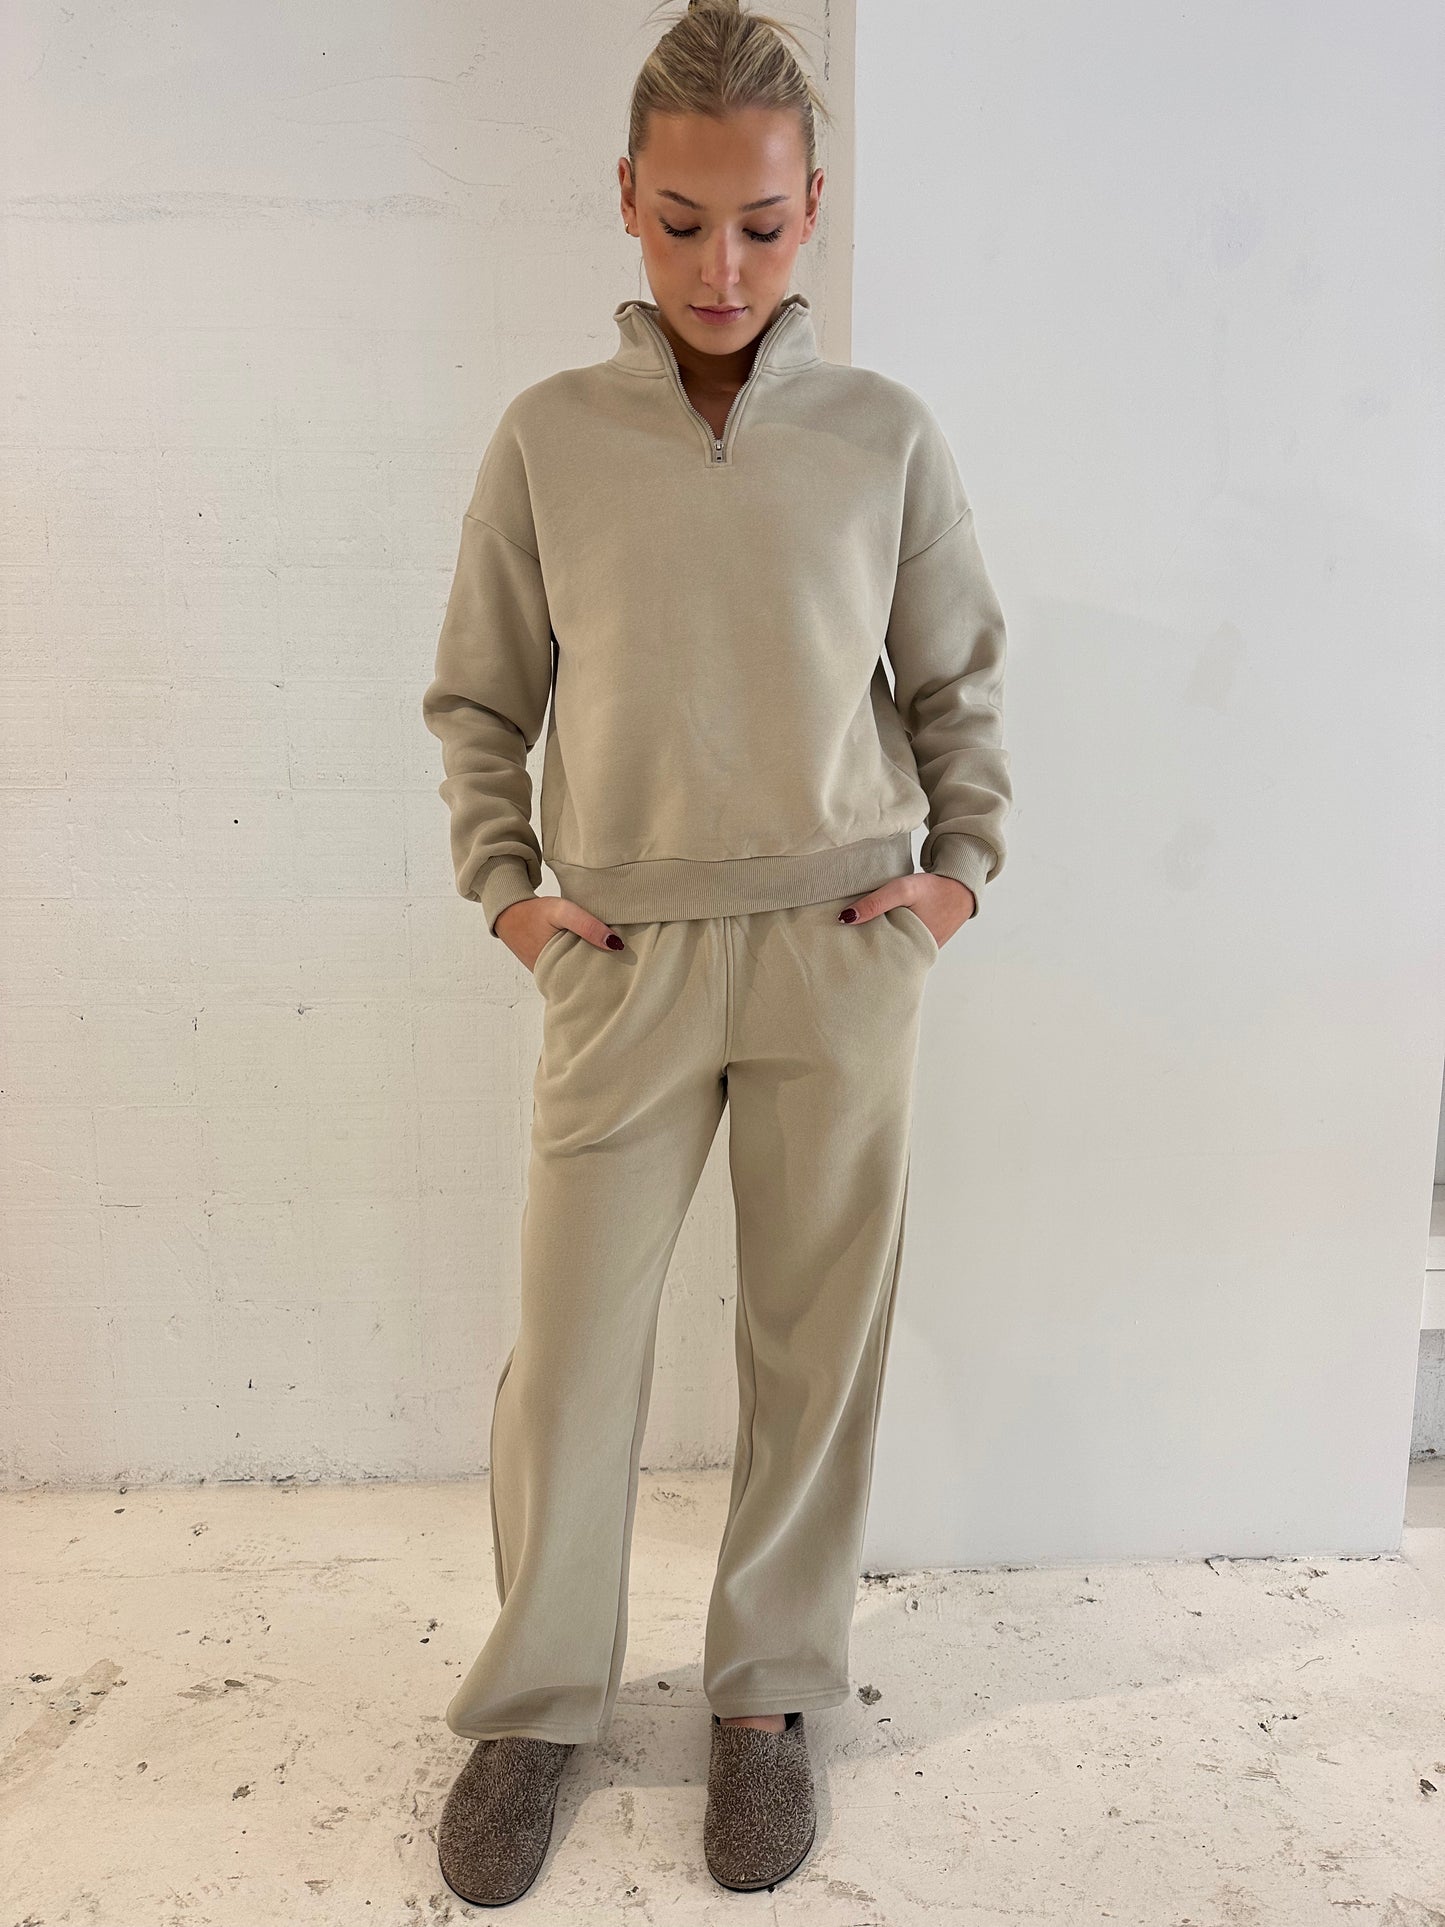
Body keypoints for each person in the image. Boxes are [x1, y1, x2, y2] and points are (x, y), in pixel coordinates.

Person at [421, 0, 1012, 1904]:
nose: (720, 266)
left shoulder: (881, 435)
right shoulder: (549, 437)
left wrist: (955, 878)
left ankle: (765, 1698)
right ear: (625, 197)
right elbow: (478, 699)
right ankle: (538, 1706)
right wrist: (511, 893)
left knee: (811, 1346)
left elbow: (957, 681)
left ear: (811, 207)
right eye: (681, 221)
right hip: (623, 955)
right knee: (571, 1355)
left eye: (759, 224)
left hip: (840, 948)